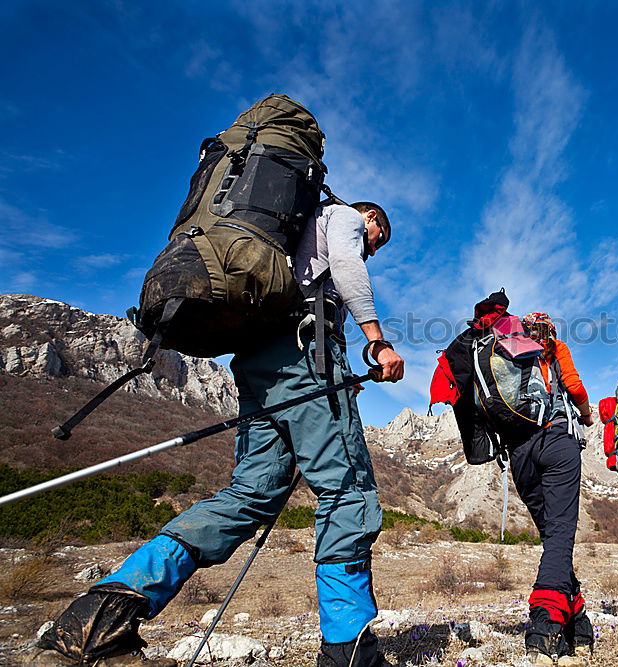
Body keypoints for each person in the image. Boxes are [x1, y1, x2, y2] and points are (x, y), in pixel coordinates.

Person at [33, 201, 404, 667]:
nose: (374, 249)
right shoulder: (343, 215)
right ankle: (350, 653)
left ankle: (95, 622)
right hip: (304, 354)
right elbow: (348, 266)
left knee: (248, 495)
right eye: (378, 239)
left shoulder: (287, 230)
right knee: (346, 492)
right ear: (371, 219)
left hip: (255, 363)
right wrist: (377, 338)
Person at [515, 312, 595, 666]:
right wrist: (587, 413)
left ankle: (576, 619)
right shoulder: (554, 347)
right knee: (560, 533)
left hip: (518, 451)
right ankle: (545, 621)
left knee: (553, 537)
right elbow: (574, 385)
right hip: (556, 440)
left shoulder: (507, 352)